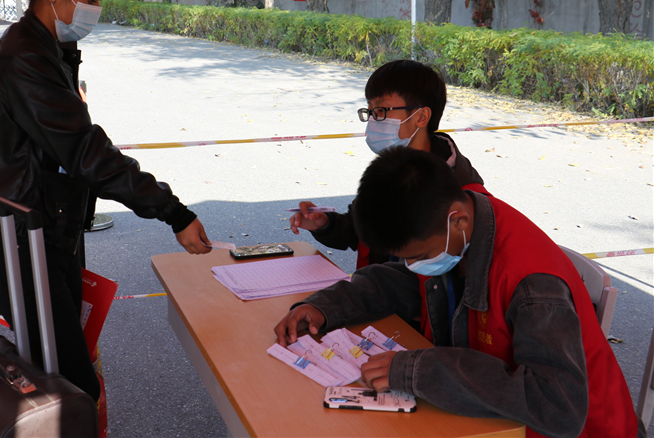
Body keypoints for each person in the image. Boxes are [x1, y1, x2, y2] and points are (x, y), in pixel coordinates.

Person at [0, 0, 211, 404]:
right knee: (72, 391)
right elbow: (88, 153)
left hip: (44, 238)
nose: (97, 8)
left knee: (63, 381)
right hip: (25, 248)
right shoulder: (26, 59)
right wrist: (173, 212)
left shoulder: (41, 47)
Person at [275, 147, 643, 438]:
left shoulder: (533, 287)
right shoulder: (454, 223)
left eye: (419, 256)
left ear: (459, 220)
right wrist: (327, 306)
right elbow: (403, 281)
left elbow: (558, 407)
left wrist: (421, 371)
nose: (415, 267)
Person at [289, 60, 485, 269]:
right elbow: (362, 232)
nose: (373, 120)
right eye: (370, 111)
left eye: (381, 110)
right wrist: (325, 224)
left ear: (421, 117)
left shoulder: (461, 190)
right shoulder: (389, 171)